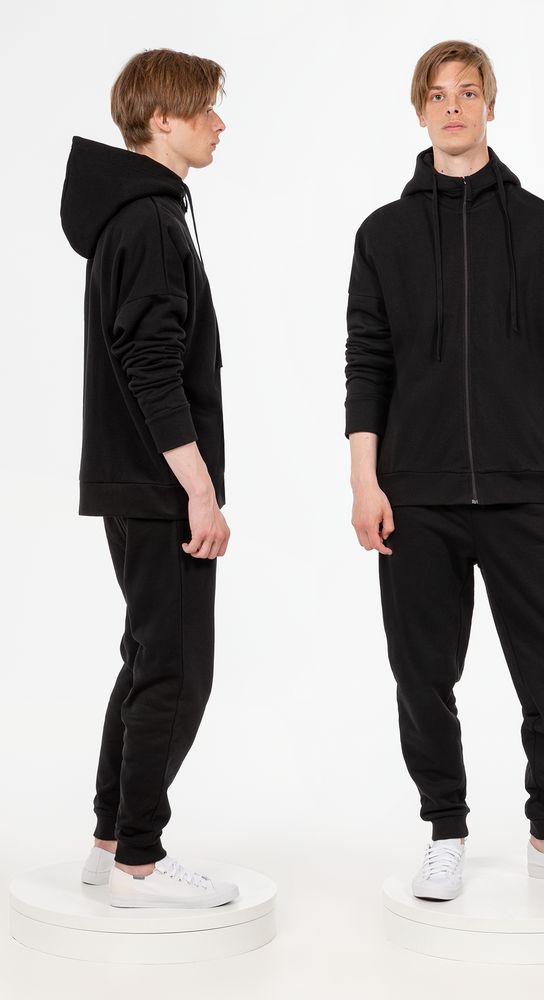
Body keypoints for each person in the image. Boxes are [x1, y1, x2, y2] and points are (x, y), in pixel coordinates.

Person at [345, 39, 544, 901]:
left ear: (490, 106)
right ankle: (445, 831)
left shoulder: (542, 227)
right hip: (417, 495)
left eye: (468, 92)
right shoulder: (385, 235)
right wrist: (365, 480)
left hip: (525, 490)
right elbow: (367, 363)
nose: (453, 106)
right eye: (438, 94)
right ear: (420, 110)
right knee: (423, 674)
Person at [60, 48, 238, 908]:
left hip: (130, 481)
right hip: (159, 486)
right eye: (205, 109)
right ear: (161, 120)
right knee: (175, 671)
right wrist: (200, 491)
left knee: (146, 660)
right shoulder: (151, 223)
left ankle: (110, 837)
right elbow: (151, 368)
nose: (219, 123)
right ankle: (141, 854)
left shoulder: (134, 216)